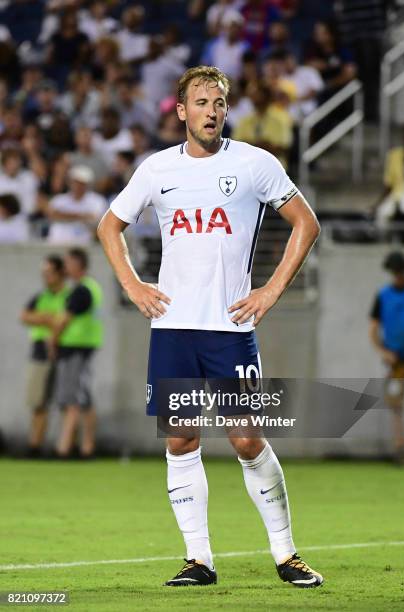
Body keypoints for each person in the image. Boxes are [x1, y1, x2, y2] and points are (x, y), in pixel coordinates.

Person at [97, 65, 322, 588]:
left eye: (219, 102)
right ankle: (199, 560)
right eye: (201, 102)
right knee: (179, 440)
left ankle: (286, 555)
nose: (212, 111)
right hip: (173, 329)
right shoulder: (156, 170)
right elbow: (110, 225)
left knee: (245, 439)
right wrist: (133, 286)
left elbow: (306, 223)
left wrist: (269, 290)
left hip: (229, 330)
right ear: (181, 111)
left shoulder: (254, 164)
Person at [51, 248, 103, 458]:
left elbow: (63, 320)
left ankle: (64, 448)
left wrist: (52, 341)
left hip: (76, 348)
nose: (65, 268)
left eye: (68, 263)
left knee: (72, 398)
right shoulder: (91, 287)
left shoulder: (82, 290)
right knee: (84, 398)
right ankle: (86, 446)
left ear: (78, 264)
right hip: (83, 347)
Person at [20, 255, 68, 457]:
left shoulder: (70, 295)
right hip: (40, 353)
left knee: (67, 402)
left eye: (49, 273)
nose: (45, 277)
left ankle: (65, 447)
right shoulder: (41, 296)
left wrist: (42, 319)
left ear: (60, 273)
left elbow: (62, 321)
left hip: (64, 352)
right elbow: (24, 316)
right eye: (44, 273)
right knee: (37, 402)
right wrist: (49, 319)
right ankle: (35, 446)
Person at [369, 251, 404, 465]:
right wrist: (384, 352)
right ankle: (399, 448)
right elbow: (373, 329)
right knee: (396, 405)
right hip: (396, 360)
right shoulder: (383, 295)